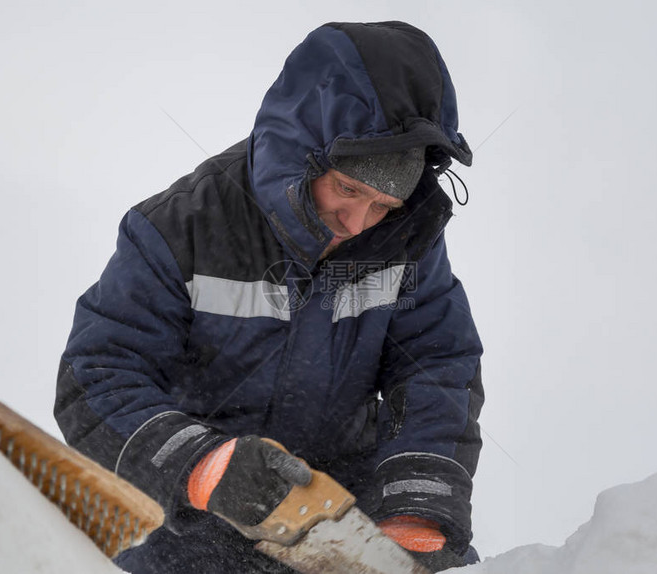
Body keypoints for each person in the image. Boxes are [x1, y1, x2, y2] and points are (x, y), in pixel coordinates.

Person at [55, 21, 484, 574]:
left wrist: (417, 505)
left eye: (383, 205)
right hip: (188, 524)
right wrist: (205, 467)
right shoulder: (173, 229)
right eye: (348, 190)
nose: (358, 223)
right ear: (301, 150)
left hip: (346, 520)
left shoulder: (406, 241)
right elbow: (98, 372)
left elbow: (436, 362)